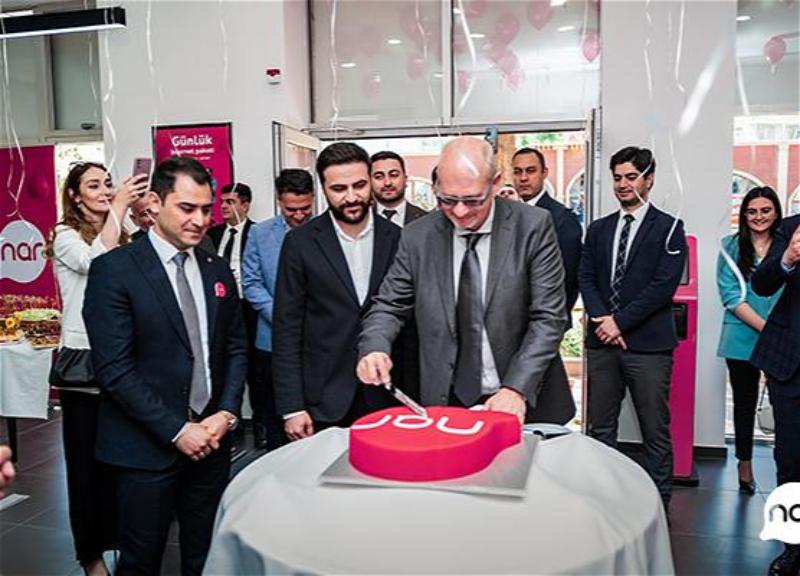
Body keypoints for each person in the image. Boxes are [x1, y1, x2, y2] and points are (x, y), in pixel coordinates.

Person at [82, 156, 248, 576]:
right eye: (187, 208)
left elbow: (234, 348)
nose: (200, 220)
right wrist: (177, 430)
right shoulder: (114, 270)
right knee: (140, 561)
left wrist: (226, 413)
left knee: (207, 557)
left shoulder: (214, 267)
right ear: (155, 203)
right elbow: (114, 369)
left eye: (206, 209)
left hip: (211, 440)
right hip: (144, 447)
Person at [357, 136, 574, 424]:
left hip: (521, 395)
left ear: (495, 183)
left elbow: (549, 317)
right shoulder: (417, 237)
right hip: (447, 397)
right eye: (447, 200)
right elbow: (389, 305)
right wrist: (374, 347)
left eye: (473, 200)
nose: (460, 212)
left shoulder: (532, 226)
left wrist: (515, 388)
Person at [45, 161, 148, 576]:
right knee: (85, 466)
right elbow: (96, 264)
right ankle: (90, 557)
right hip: (84, 362)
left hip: (124, 357)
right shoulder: (64, 235)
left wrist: (141, 215)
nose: (105, 190)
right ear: (75, 196)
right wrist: (119, 208)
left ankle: (124, 541)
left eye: (108, 183)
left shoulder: (121, 231)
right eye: (94, 185)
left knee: (121, 462)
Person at [579, 146, 686, 509]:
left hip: (649, 347)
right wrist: (603, 320)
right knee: (600, 428)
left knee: (654, 430)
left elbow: (662, 287)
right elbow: (585, 276)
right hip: (602, 344)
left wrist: (618, 323)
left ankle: (658, 503)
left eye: (630, 177)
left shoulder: (670, 228)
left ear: (649, 179)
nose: (622, 185)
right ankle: (602, 499)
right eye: (617, 178)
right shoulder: (598, 229)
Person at [272, 143, 402, 440]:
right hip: (323, 397)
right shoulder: (300, 243)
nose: (352, 197)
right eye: (339, 189)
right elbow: (287, 328)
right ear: (323, 189)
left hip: (387, 393)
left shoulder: (398, 238)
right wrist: (292, 407)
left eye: (359, 185)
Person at [716, 186, 783, 495]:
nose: (758, 217)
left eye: (765, 210)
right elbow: (730, 296)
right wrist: (766, 327)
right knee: (744, 404)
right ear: (743, 215)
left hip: (783, 338)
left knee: (784, 406)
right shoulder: (729, 247)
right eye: (752, 211)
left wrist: (778, 331)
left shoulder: (787, 245)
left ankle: (787, 469)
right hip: (741, 335)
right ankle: (744, 466)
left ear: (776, 212)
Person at [242, 169, 314, 449]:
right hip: (271, 341)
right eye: (291, 209)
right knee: (276, 416)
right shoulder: (259, 233)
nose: (299, 216)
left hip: (316, 343)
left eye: (305, 208)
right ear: (279, 201)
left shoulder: (326, 231)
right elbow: (251, 284)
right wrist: (284, 317)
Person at [513, 147, 583, 419]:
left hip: (542, 324)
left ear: (544, 173)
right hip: (509, 326)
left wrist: (551, 322)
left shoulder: (561, 218)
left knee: (542, 402)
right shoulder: (507, 216)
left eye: (530, 171)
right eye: (518, 172)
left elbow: (568, 279)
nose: (523, 178)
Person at [751, 211, 800, 576]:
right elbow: (762, 283)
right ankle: (792, 548)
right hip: (790, 364)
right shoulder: (790, 227)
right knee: (790, 461)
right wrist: (788, 257)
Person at [206, 182, 258, 445]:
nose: (224, 207)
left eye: (231, 202)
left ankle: (258, 424)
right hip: (219, 307)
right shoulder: (211, 234)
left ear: (245, 205)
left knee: (254, 367)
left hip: (249, 307)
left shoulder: (257, 233)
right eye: (222, 202)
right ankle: (227, 419)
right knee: (221, 362)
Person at [370, 151, 428, 227]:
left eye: (394, 175)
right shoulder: (362, 218)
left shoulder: (426, 220)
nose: (388, 183)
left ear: (405, 179)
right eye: (379, 177)